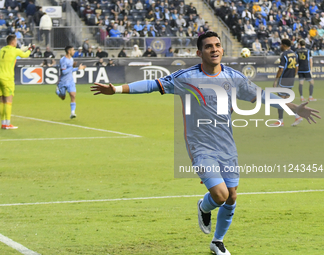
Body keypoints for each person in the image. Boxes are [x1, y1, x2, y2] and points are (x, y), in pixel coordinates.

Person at [91, 31, 320, 255]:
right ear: (200, 52)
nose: (214, 49)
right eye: (209, 46)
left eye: (217, 45)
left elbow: (263, 96)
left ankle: (217, 242)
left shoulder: (233, 77)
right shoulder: (186, 78)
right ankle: (204, 206)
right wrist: (118, 89)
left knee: (232, 196)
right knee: (219, 196)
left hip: (226, 146)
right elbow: (153, 84)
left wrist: (293, 108)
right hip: (200, 147)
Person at [0, 34, 34, 129]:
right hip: (7, 78)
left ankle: (3, 123)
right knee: (8, 101)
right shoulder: (15, 51)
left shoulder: (2, 50)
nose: (16, 42)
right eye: (16, 41)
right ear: (13, 42)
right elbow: (24, 55)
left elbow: (12, 55)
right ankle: (7, 124)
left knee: (2, 101)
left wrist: (22, 49)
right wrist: (30, 49)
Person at [270, 39, 303, 127]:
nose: (280, 46)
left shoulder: (284, 54)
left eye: (281, 44)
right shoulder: (294, 54)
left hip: (283, 80)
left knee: (280, 100)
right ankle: (288, 119)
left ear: (284, 45)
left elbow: (281, 69)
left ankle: (289, 118)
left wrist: (276, 80)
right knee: (285, 101)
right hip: (290, 80)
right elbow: (296, 68)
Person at [56, 46, 86, 119]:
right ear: (69, 51)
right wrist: (72, 67)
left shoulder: (72, 59)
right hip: (63, 82)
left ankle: (73, 113)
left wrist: (78, 68)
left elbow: (70, 70)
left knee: (73, 95)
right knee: (63, 97)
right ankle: (58, 92)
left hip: (70, 81)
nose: (74, 51)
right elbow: (63, 72)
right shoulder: (63, 60)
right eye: (73, 50)